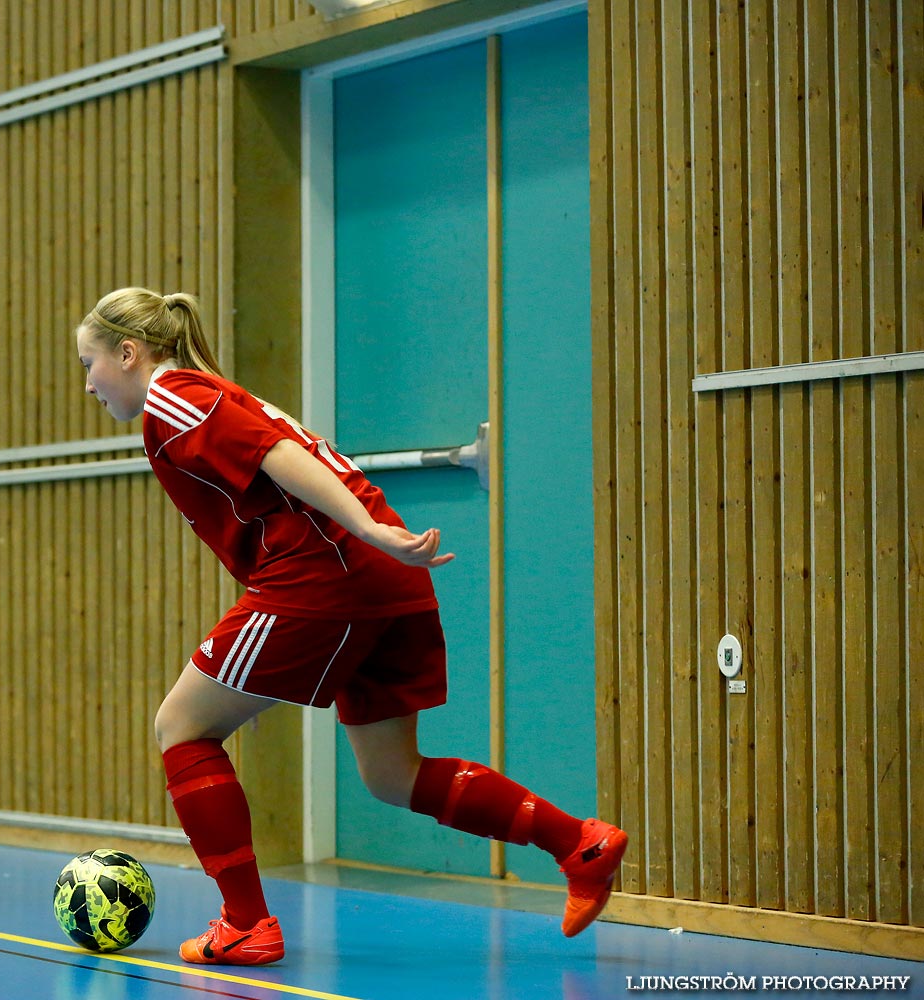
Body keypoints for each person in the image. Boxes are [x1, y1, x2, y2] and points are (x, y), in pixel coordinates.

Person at [73, 287, 627, 966]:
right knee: (392, 774)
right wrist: (374, 536)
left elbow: (278, 454)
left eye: (90, 363)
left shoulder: (173, 394)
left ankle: (245, 922)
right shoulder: (203, 392)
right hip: (376, 575)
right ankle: (581, 842)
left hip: (326, 572)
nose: (89, 383)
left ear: (128, 353)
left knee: (181, 727)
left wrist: (367, 529)